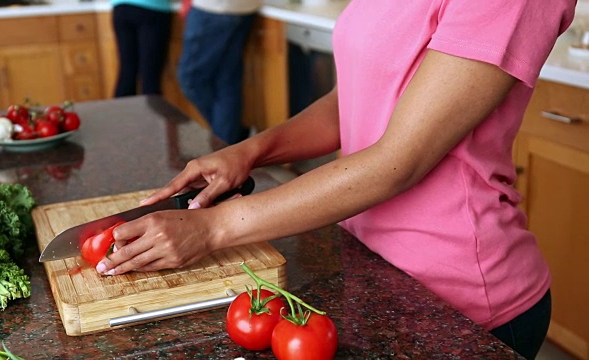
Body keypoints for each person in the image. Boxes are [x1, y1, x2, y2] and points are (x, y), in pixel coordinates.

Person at [95, 0, 576, 358]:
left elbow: (399, 160)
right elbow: (354, 96)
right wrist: (252, 150)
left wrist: (213, 227)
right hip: (368, 261)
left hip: (459, 296)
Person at [176, 0, 262, 145]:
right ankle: (228, 140)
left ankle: (227, 138)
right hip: (245, 8)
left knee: (190, 79)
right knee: (227, 81)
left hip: (213, 8)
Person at [111, 0, 172, 97]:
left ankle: (119, 112)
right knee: (150, 78)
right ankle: (151, 112)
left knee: (127, 73)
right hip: (151, 8)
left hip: (121, 8)